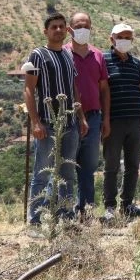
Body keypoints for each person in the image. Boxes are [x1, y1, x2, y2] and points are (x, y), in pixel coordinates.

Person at [24, 13, 88, 227]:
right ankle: (35, 220)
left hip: (70, 124)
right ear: (46, 31)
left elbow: (74, 88)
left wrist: (81, 117)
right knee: (42, 172)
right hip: (48, 123)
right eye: (54, 27)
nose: (59, 30)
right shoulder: (38, 55)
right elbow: (29, 89)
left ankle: (65, 216)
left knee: (67, 172)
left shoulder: (69, 56)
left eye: (62, 27)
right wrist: (35, 122)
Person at [102, 23, 140, 220]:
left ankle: (127, 204)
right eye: (121, 36)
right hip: (113, 121)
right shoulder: (103, 60)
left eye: (128, 37)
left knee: (133, 165)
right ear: (112, 39)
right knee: (111, 165)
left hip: (135, 122)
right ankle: (109, 207)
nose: (125, 40)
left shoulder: (136, 63)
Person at [65, 12, 110, 217]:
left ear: (91, 28)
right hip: (67, 118)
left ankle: (86, 211)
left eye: (86, 25)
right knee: (65, 168)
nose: (82, 29)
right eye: (78, 25)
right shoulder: (63, 54)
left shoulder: (98, 55)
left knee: (88, 167)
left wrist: (105, 118)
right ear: (70, 29)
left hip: (93, 117)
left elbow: (104, 89)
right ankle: (64, 212)